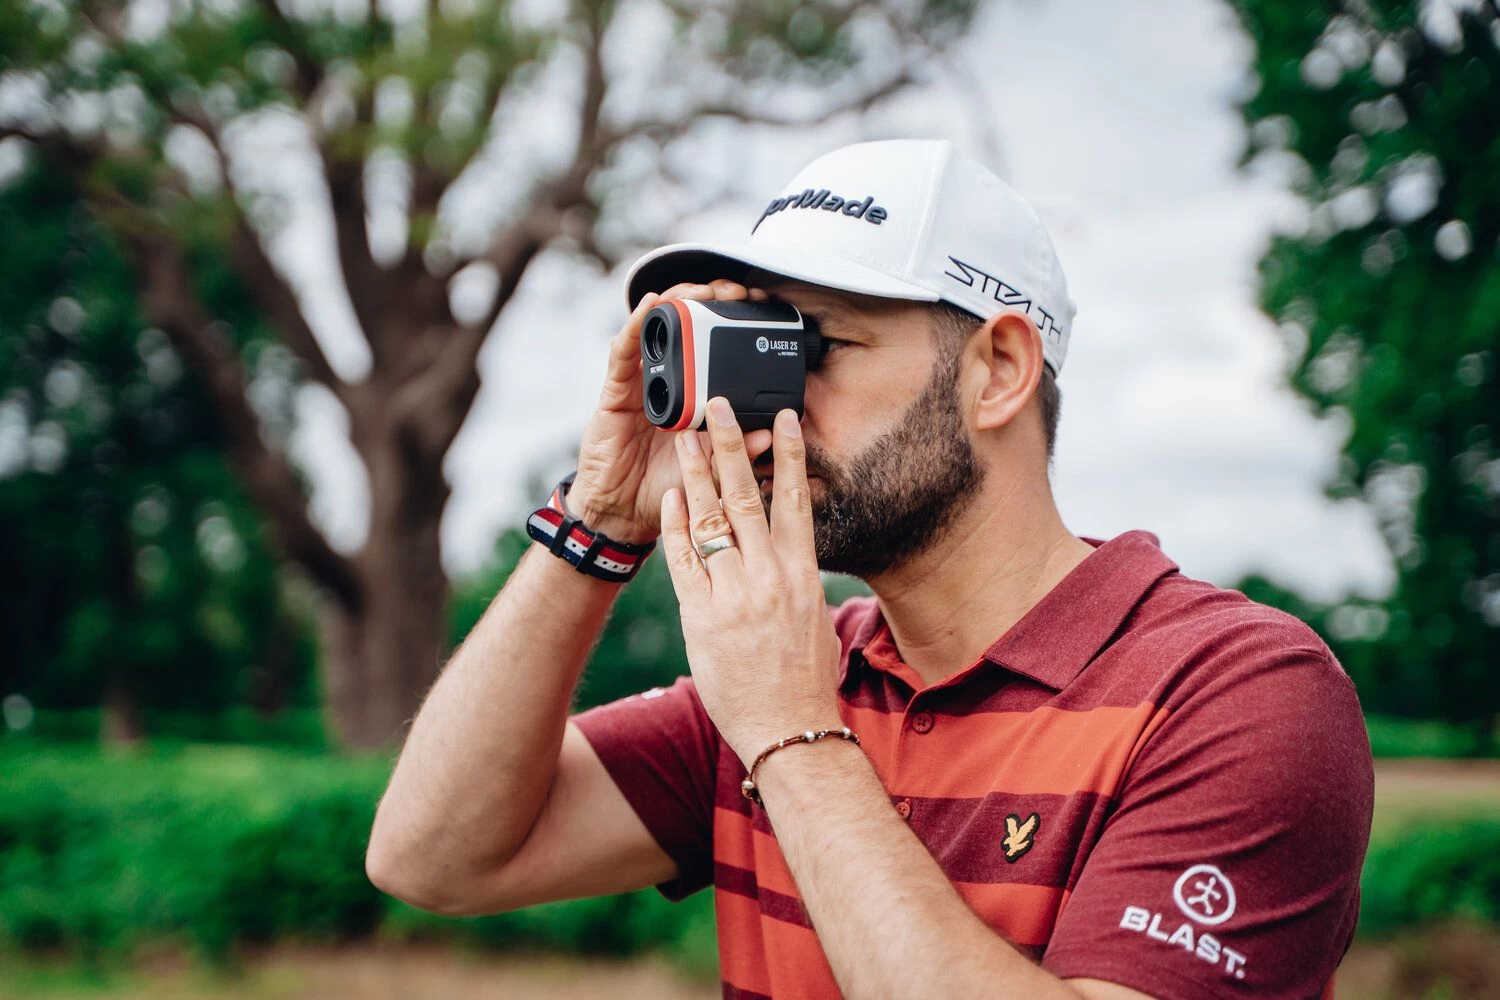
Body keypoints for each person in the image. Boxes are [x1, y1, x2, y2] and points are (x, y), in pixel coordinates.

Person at [366, 139, 1374, 1000]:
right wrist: (599, 521)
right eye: (752, 348)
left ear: (998, 371)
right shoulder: (800, 674)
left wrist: (791, 736)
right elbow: (433, 856)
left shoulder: (1237, 690)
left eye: (810, 347)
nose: (765, 407)